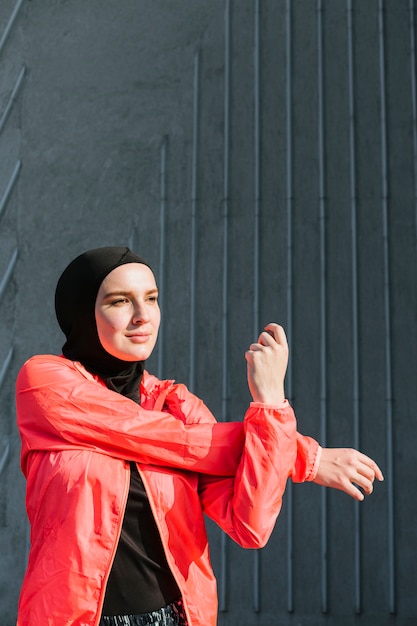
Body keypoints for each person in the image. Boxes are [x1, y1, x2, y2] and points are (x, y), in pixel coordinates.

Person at [16, 247, 383, 626]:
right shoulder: (44, 383)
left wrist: (270, 403)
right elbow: (148, 435)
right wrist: (305, 455)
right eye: (120, 301)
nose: (143, 316)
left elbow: (250, 526)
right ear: (82, 313)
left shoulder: (178, 405)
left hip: (176, 617)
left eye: (152, 299)